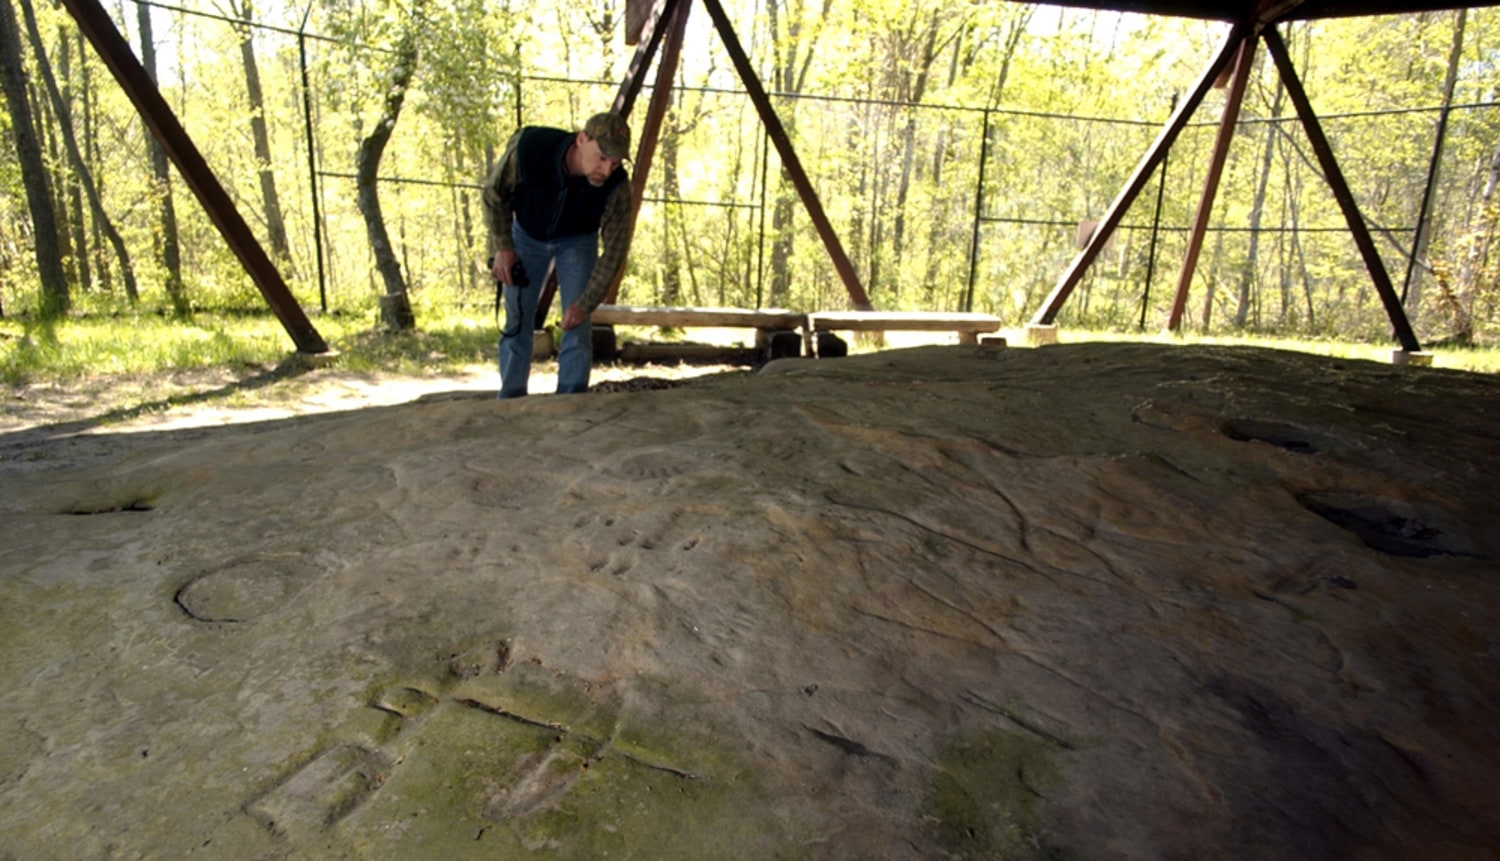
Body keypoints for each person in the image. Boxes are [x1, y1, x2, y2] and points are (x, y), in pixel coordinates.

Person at [482, 111, 634, 398]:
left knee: (577, 322)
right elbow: (493, 194)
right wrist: (503, 248)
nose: (607, 169)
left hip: (578, 241)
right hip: (526, 234)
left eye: (615, 162)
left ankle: (571, 402)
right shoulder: (530, 149)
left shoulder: (617, 187)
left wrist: (585, 303)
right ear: (581, 140)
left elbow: (614, 252)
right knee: (517, 318)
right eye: (601, 158)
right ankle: (510, 399)